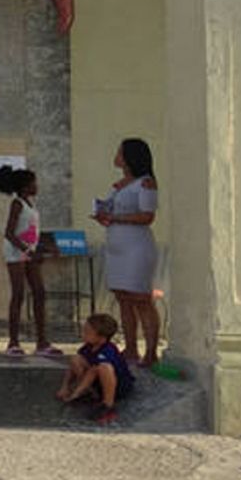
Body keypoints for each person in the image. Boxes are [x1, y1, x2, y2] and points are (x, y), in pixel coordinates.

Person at [93, 138, 160, 367]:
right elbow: (113, 209)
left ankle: (150, 351)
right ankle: (130, 348)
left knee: (141, 299)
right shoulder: (121, 184)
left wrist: (116, 218)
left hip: (136, 248)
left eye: (120, 152)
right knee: (123, 298)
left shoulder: (145, 183)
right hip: (116, 247)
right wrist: (104, 215)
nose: (117, 155)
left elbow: (147, 216)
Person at [0, 166, 59, 359]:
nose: (36, 185)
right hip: (16, 252)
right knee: (19, 294)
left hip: (29, 252)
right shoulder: (17, 204)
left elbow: (32, 233)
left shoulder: (30, 204)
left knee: (39, 292)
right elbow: (9, 233)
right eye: (33, 182)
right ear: (24, 186)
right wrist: (28, 251)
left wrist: (45, 248)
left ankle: (42, 341)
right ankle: (13, 342)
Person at [57, 313, 134, 426]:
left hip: (118, 387)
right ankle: (91, 394)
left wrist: (76, 393)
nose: (83, 334)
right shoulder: (88, 347)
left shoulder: (109, 350)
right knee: (76, 359)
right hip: (95, 381)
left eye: (87, 332)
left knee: (104, 367)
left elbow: (94, 371)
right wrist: (65, 387)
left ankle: (108, 404)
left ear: (101, 337)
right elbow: (72, 368)